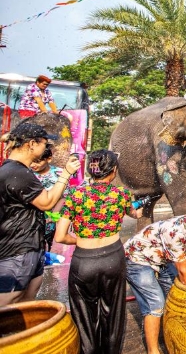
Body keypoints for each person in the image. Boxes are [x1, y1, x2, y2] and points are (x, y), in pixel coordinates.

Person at [55, 150, 142, 354]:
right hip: (113, 258)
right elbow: (134, 213)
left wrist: (81, 240)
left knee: (84, 317)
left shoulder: (76, 195)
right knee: (113, 314)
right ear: (113, 171)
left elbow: (60, 237)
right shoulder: (120, 194)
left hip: (83, 262)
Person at [0, 123, 80, 306]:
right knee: (8, 302)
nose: (46, 148)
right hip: (17, 250)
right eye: (44, 143)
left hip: (32, 247)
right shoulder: (17, 173)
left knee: (25, 304)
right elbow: (47, 202)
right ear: (32, 144)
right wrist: (67, 173)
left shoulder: (19, 171)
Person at [124, 211, 186, 354]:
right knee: (155, 303)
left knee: (173, 294)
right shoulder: (176, 232)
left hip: (163, 258)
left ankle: (172, 332)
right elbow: (183, 271)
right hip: (137, 258)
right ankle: (153, 350)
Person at [30, 144, 66, 252]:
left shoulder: (60, 174)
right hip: (31, 218)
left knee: (47, 245)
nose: (33, 165)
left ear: (48, 159)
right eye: (32, 161)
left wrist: (54, 215)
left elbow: (64, 196)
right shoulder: (27, 173)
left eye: (38, 161)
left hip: (51, 218)